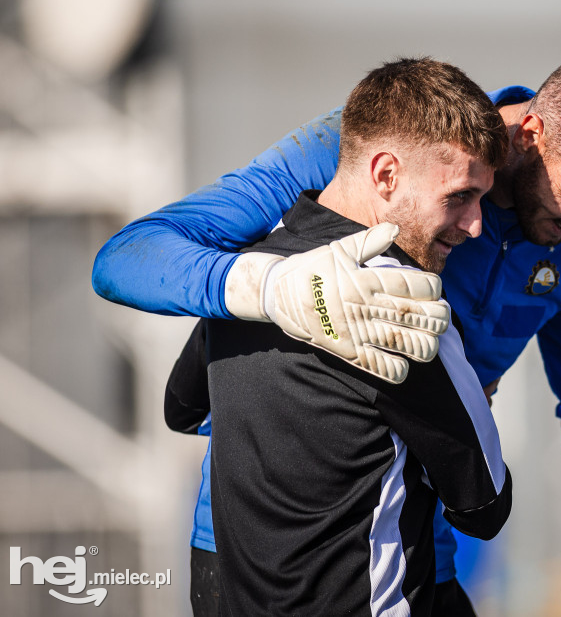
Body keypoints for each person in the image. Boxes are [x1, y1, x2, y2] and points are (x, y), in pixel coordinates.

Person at [93, 48, 561, 617]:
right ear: (530, 136)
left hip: (415, 552)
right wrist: (270, 290)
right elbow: (126, 258)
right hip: (246, 552)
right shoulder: (379, 142)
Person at [166, 57, 512, 616]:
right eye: (460, 196)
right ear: (385, 175)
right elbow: (486, 506)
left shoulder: (253, 274)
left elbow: (181, 409)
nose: (475, 224)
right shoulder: (403, 308)